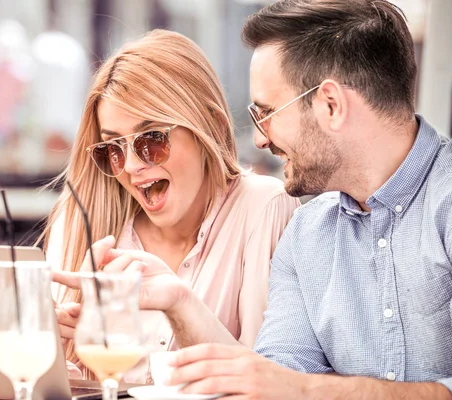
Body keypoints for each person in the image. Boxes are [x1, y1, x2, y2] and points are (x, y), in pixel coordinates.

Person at [57, 0, 452, 398]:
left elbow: (289, 387)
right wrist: (178, 302)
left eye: (266, 113)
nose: (259, 139)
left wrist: (306, 390)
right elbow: (265, 382)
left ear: (331, 105)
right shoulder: (306, 236)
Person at [44, 29, 299, 383]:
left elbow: (268, 382)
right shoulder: (80, 222)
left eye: (152, 140)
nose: (132, 166)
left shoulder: (264, 208)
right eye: (113, 149)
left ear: (208, 125)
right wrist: (61, 375)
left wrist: (181, 304)